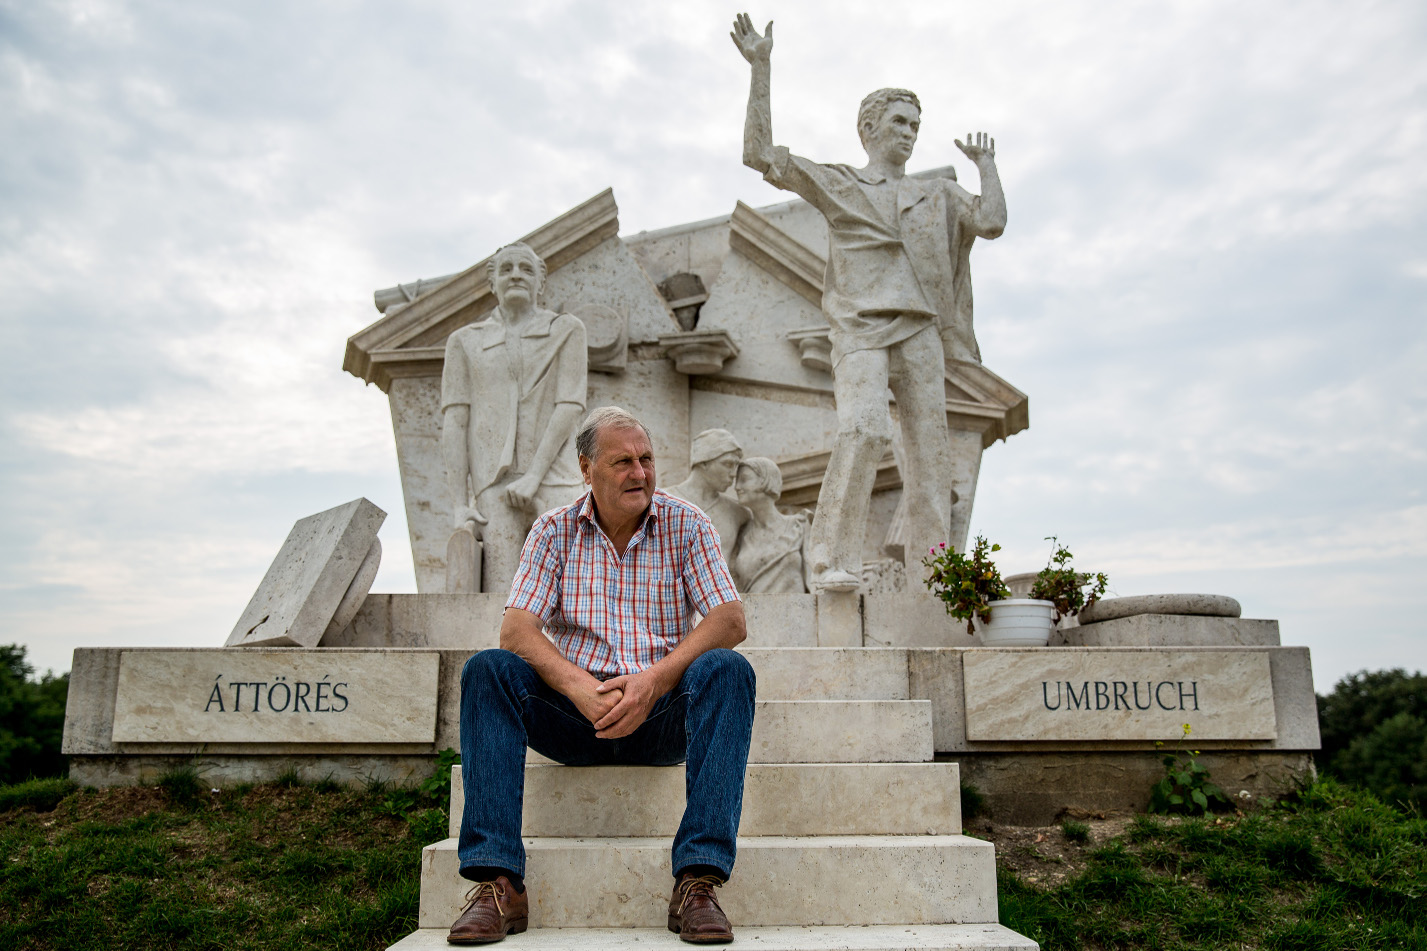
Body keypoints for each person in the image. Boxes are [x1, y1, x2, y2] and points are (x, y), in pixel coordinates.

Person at [449, 406, 755, 945]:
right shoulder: (553, 530)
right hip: (573, 716)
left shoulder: (688, 524)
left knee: (727, 669)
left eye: (647, 459)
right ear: (587, 471)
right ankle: (498, 884)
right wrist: (577, 687)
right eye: (623, 462)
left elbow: (729, 619)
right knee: (489, 670)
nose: (640, 473)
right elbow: (517, 630)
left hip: (659, 715)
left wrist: (653, 682)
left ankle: (698, 881)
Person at [731, 13, 1006, 590]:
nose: (909, 132)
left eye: (916, 124)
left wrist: (988, 168)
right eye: (899, 122)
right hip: (859, 328)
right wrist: (762, 67)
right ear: (870, 128)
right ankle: (829, 556)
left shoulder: (935, 193)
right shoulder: (842, 184)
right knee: (864, 429)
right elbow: (758, 154)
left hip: (920, 330)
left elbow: (992, 222)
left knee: (930, 452)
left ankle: (940, 574)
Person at [440, 242, 588, 595]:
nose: (516, 275)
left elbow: (569, 405)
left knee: (571, 586)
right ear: (492, 283)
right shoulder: (464, 342)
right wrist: (461, 505)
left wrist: (534, 476)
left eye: (526, 268)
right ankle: (503, 653)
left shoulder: (566, 329)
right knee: (502, 592)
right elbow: (456, 422)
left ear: (541, 282)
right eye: (506, 269)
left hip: (556, 478)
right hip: (495, 482)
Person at [664, 429, 750, 562]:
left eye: (736, 466)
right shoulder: (661, 501)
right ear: (703, 462)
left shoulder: (738, 514)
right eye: (728, 464)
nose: (733, 474)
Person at [731, 456, 811, 593]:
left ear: (767, 480)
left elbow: (818, 575)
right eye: (737, 481)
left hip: (796, 611)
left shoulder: (799, 526)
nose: (737, 487)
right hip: (753, 612)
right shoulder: (740, 535)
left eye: (744, 480)